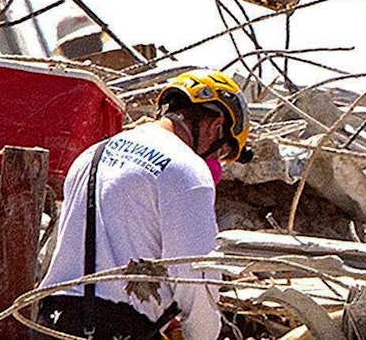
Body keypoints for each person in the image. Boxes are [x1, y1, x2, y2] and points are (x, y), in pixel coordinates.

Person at [34, 69, 252, 340]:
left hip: (51, 320)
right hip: (115, 328)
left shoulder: (92, 154)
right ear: (216, 126)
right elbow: (196, 277)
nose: (215, 161)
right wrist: (204, 335)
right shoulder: (187, 169)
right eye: (223, 151)